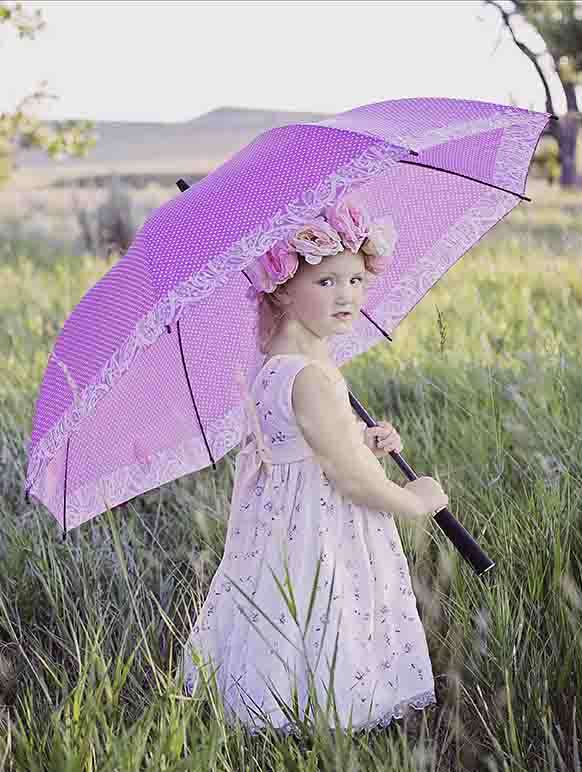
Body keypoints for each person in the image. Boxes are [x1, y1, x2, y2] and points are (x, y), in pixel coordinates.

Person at [179, 198, 449, 736]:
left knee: (287, 608)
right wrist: (417, 502)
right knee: (329, 604)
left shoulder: (279, 364)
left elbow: (300, 447)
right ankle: (334, 710)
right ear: (281, 287)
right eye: (326, 282)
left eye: (355, 279)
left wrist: (359, 439)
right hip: (324, 524)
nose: (348, 295)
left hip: (284, 522)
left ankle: (273, 700)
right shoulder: (309, 376)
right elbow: (347, 480)